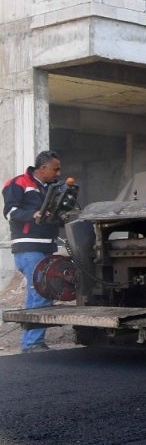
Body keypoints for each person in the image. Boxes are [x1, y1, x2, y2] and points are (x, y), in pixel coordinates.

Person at [3, 150, 63, 352]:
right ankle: (32, 343)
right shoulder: (19, 183)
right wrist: (34, 213)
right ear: (43, 168)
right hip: (28, 246)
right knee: (42, 290)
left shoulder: (49, 188)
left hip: (46, 245)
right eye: (56, 169)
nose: (58, 173)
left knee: (37, 292)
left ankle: (30, 343)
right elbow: (10, 212)